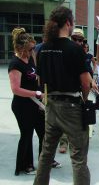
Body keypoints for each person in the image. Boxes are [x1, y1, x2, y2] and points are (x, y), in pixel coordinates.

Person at [33, 6, 97, 185]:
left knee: (46, 154)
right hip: (71, 107)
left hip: (51, 106)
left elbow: (39, 80)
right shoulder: (74, 49)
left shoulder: (43, 50)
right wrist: (84, 99)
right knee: (78, 157)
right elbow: (86, 82)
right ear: (68, 23)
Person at [8, 27, 45, 176]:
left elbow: (35, 75)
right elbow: (15, 89)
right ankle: (25, 165)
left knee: (43, 132)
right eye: (29, 49)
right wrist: (35, 93)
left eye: (32, 48)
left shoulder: (30, 58)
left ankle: (45, 161)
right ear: (20, 48)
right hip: (22, 105)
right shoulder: (15, 64)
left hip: (34, 104)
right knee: (27, 134)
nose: (32, 51)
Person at [58, 28, 86, 154]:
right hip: (62, 94)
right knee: (64, 123)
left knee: (75, 124)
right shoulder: (63, 51)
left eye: (80, 40)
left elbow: (86, 75)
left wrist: (91, 84)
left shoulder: (82, 54)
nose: (77, 42)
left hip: (76, 94)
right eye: (74, 39)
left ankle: (72, 145)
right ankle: (63, 142)